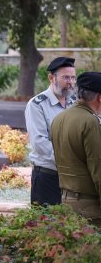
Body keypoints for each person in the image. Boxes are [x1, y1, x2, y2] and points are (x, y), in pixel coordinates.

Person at [51, 71, 101, 225]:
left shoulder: (59, 118)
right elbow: (98, 167)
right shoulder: (90, 122)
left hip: (66, 201)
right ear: (99, 97)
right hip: (90, 207)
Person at [24, 56, 76, 206]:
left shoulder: (74, 104)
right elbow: (40, 143)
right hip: (47, 176)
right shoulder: (37, 104)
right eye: (66, 77)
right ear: (51, 78)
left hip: (70, 177)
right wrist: (69, 160)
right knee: (44, 225)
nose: (71, 82)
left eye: (73, 77)